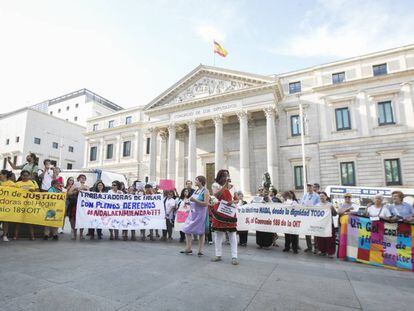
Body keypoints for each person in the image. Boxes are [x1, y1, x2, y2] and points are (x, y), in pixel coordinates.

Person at [211, 170, 239, 265]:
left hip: (230, 212)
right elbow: (216, 196)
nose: (225, 178)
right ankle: (218, 254)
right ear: (220, 177)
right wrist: (225, 186)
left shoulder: (233, 187)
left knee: (232, 235)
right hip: (219, 212)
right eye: (223, 176)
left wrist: (233, 202)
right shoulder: (215, 185)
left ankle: (234, 256)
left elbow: (237, 200)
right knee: (218, 234)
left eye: (227, 176)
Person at [180, 176, 210, 256]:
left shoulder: (205, 191)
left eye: (196, 180)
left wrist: (194, 201)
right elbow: (192, 200)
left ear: (200, 181)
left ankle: (200, 250)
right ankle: (188, 248)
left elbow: (206, 204)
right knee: (186, 229)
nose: (195, 182)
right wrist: (189, 203)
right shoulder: (196, 190)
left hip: (201, 214)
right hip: (193, 213)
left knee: (201, 232)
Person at [14, 170, 39, 240]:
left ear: (29, 176)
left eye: (27, 175)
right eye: (23, 175)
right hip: (20, 204)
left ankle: (32, 236)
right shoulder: (17, 184)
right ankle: (15, 236)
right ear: (21, 176)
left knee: (30, 220)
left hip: (30, 204)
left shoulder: (33, 182)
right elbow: (13, 194)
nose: (25, 177)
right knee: (18, 221)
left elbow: (38, 192)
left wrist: (33, 191)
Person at [315, 192, 337, 258]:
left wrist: (332, 209)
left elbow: (335, 214)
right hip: (321, 224)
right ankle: (322, 251)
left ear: (326, 197)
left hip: (329, 224)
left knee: (330, 239)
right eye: (320, 196)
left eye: (323, 196)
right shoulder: (317, 205)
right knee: (320, 239)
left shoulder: (330, 205)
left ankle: (330, 252)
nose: (321, 197)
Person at [67, 174, 89, 240]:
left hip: (83, 205)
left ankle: (81, 234)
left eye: (84, 178)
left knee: (82, 218)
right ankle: (74, 233)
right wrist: (76, 190)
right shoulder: (75, 185)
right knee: (73, 219)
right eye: (81, 178)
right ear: (78, 179)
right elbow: (69, 193)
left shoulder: (87, 187)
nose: (83, 179)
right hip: (75, 203)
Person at [301, 183, 320, 253]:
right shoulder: (305, 195)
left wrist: (313, 206)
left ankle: (316, 247)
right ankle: (309, 247)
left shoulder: (317, 196)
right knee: (307, 231)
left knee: (314, 231)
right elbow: (301, 203)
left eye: (310, 187)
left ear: (312, 188)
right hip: (306, 215)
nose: (309, 189)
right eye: (307, 187)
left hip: (313, 216)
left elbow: (319, 205)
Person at [0, 170, 15, 242]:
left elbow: (16, 193)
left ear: (5, 175)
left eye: (1, 174)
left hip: (7, 204)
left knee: (5, 221)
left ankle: (5, 235)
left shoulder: (11, 183)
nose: (0, 175)